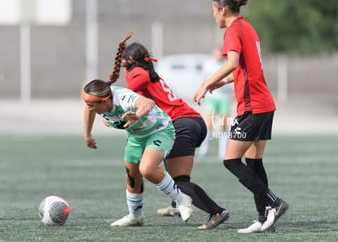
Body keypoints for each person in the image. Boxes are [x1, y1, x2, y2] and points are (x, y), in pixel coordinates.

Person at [106, 32, 229, 230]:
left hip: (180, 124)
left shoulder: (138, 72)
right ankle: (176, 206)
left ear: (129, 60)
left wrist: (108, 94)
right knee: (175, 176)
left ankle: (216, 211)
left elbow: (131, 89)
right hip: (193, 120)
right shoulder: (150, 73)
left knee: (177, 180)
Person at [194, 0, 288, 234]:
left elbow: (233, 63)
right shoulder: (248, 27)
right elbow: (247, 68)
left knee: (231, 160)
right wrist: (223, 83)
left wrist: (206, 83)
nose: (213, 15)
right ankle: (264, 219)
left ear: (222, 10)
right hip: (265, 104)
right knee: (254, 162)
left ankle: (273, 202)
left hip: (252, 106)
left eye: (214, 11)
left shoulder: (233, 30)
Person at [82, 79, 193, 227]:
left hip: (160, 131)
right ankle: (135, 217)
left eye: (91, 105)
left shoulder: (123, 98)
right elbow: (88, 111)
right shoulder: (97, 103)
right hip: (136, 136)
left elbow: (147, 103)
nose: (89, 108)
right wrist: (87, 135)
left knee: (147, 169)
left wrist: (138, 115)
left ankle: (182, 200)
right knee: (132, 177)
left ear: (104, 101)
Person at [198, 46, 234, 160]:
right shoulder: (208, 64)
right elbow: (203, 80)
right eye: (216, 53)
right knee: (209, 124)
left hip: (224, 98)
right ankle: (204, 150)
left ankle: (223, 152)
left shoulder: (228, 64)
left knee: (223, 125)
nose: (218, 55)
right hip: (212, 97)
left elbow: (233, 78)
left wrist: (233, 92)